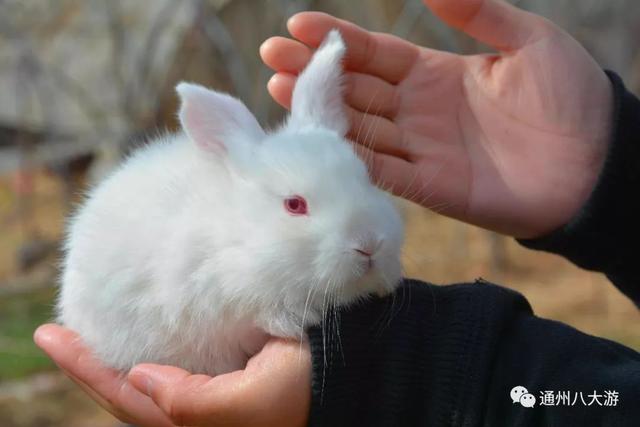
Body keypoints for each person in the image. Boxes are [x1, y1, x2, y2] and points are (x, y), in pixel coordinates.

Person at [34, 0, 639, 425]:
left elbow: (579, 403)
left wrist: (386, 386)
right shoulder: (214, 237)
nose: (366, 237)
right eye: (298, 207)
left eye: (363, 193)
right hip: (138, 329)